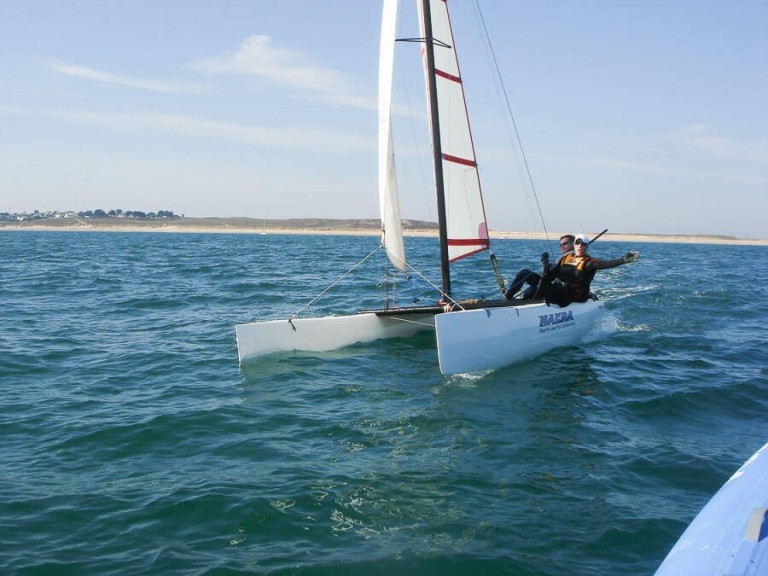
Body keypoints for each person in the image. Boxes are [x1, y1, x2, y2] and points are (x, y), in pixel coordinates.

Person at [537, 233, 639, 307]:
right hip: (562, 290)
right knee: (529, 288)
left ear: (587, 246)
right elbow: (549, 276)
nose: (580, 246)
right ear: (574, 245)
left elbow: (606, 264)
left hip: (575, 296)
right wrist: (546, 264)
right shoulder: (565, 259)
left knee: (544, 293)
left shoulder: (590, 262)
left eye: (583, 244)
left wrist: (623, 260)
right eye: (578, 243)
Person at [504, 234, 574, 300]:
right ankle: (508, 298)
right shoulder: (563, 256)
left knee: (528, 288)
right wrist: (546, 266)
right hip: (554, 286)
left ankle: (507, 298)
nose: (562, 246)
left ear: (573, 244)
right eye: (560, 245)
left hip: (562, 291)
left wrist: (547, 266)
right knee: (526, 285)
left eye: (565, 244)